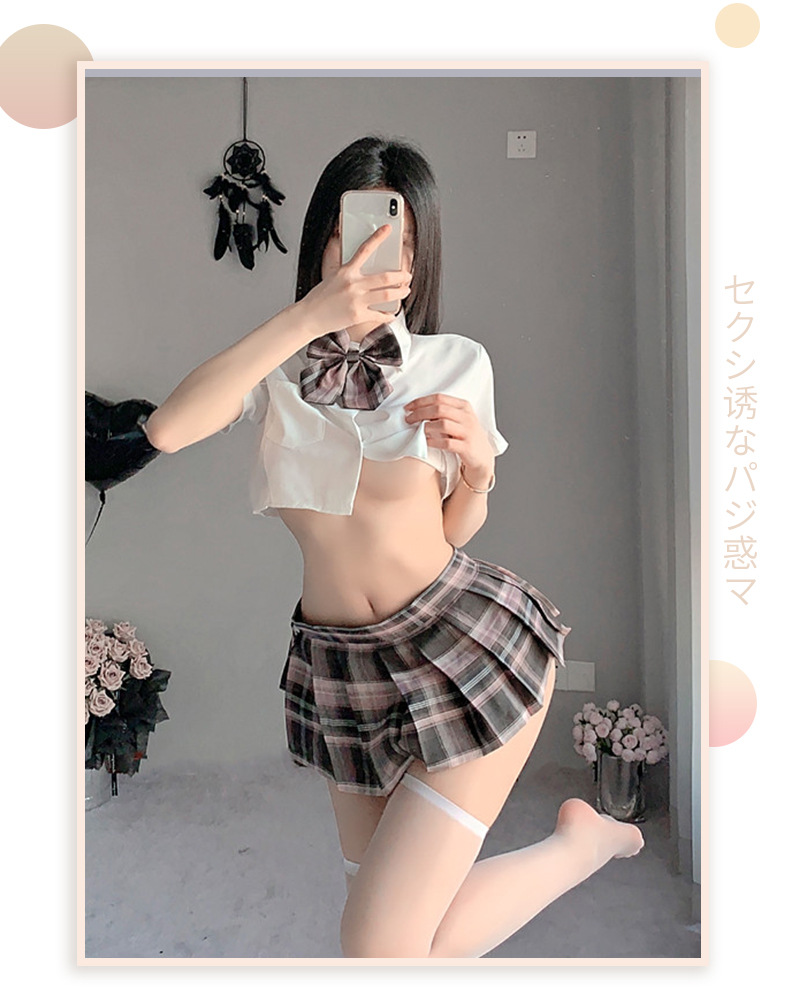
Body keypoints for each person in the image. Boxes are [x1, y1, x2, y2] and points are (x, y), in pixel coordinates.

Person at [142, 135, 644, 959]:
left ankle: (577, 848)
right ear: (321, 243)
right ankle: (583, 840)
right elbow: (167, 429)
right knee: (396, 948)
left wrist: (479, 470)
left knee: (379, 949)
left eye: (401, 243)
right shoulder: (275, 370)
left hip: (459, 646)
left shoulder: (457, 362)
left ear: (420, 261)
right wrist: (309, 317)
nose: (377, 258)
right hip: (339, 671)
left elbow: (451, 531)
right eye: (356, 236)